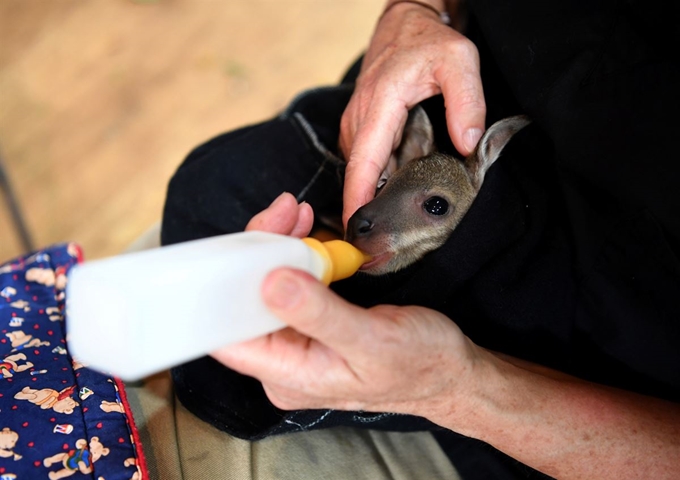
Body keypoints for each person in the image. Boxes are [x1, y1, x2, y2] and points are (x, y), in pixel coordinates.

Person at [161, 0, 680, 478]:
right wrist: (415, 13)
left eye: (433, 207)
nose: (367, 219)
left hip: (570, 383)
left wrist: (458, 391)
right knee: (223, 183)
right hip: (463, 86)